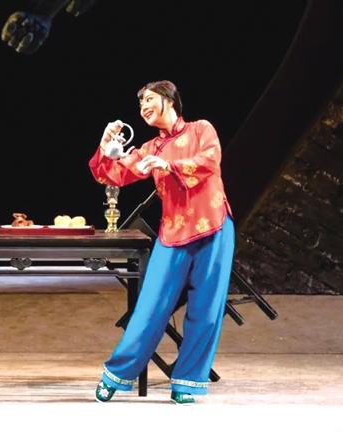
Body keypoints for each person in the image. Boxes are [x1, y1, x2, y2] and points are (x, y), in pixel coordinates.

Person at [88, 80, 234, 404]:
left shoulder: (201, 129)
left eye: (150, 100)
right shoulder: (151, 148)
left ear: (169, 100)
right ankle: (116, 375)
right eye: (141, 104)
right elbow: (112, 175)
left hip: (213, 226)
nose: (143, 107)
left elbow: (210, 161)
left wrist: (171, 166)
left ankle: (187, 383)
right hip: (173, 233)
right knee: (150, 306)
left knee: (206, 310)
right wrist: (105, 145)